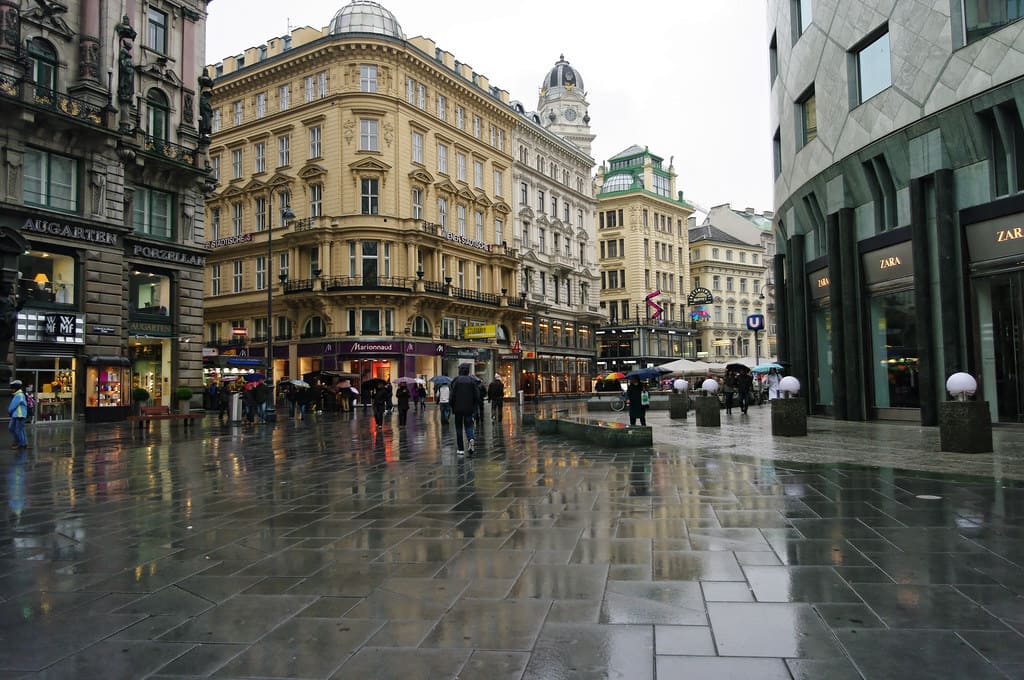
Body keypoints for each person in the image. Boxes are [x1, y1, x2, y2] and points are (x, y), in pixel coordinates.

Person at [450, 364, 480, 455]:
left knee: (459, 428)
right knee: (469, 426)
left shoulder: (456, 380)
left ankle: (460, 449)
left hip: (458, 409)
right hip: (469, 408)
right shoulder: (472, 380)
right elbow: (477, 396)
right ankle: (471, 438)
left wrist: (452, 406)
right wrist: (475, 408)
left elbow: (452, 396)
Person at [8, 380, 28, 449]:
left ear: (16, 388)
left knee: (17, 429)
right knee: (16, 428)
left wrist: (9, 411)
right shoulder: (19, 394)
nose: (11, 389)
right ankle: (22, 442)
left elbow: (12, 406)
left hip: (19, 415)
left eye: (12, 388)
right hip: (17, 414)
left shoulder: (19, 395)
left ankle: (21, 443)